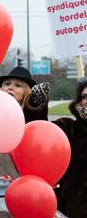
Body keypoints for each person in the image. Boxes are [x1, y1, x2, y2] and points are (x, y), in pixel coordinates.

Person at [52, 77, 87, 217]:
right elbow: (41, 129)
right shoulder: (69, 127)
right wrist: (36, 106)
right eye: (84, 97)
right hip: (72, 210)